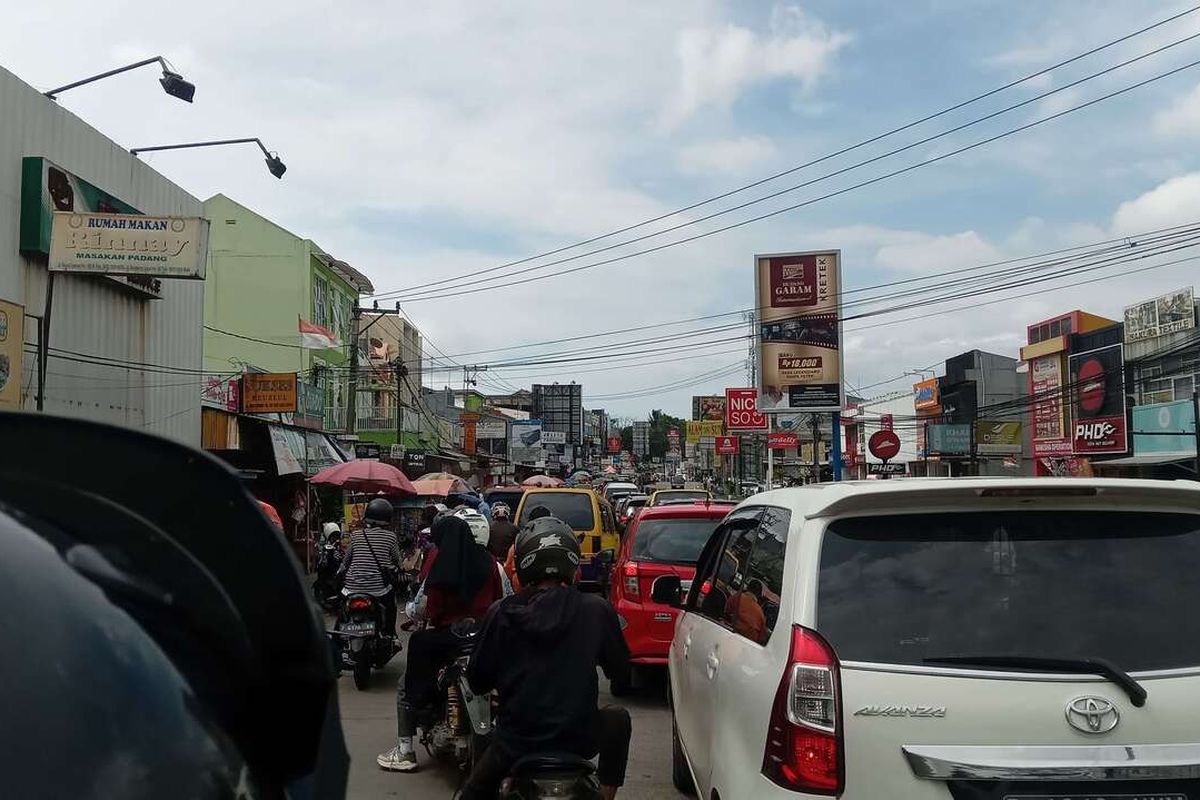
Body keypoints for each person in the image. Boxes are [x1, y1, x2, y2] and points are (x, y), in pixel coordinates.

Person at [460, 516, 632, 800]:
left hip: (515, 743)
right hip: (579, 738)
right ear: (571, 561)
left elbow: (477, 682)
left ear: (524, 563)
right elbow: (621, 672)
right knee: (617, 718)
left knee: (472, 793)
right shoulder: (596, 609)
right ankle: (606, 796)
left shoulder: (501, 612)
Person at [377, 511, 504, 773]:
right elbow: (499, 599)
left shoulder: (442, 563)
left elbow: (431, 610)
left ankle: (405, 750)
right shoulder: (490, 562)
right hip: (483, 639)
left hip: (448, 639)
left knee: (405, 685)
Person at [337, 498, 402, 637]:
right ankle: (391, 634)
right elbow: (397, 561)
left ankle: (337, 635)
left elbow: (345, 562)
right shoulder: (391, 537)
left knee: (341, 608)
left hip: (351, 588)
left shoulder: (356, 535)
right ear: (388, 518)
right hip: (378, 590)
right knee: (391, 603)